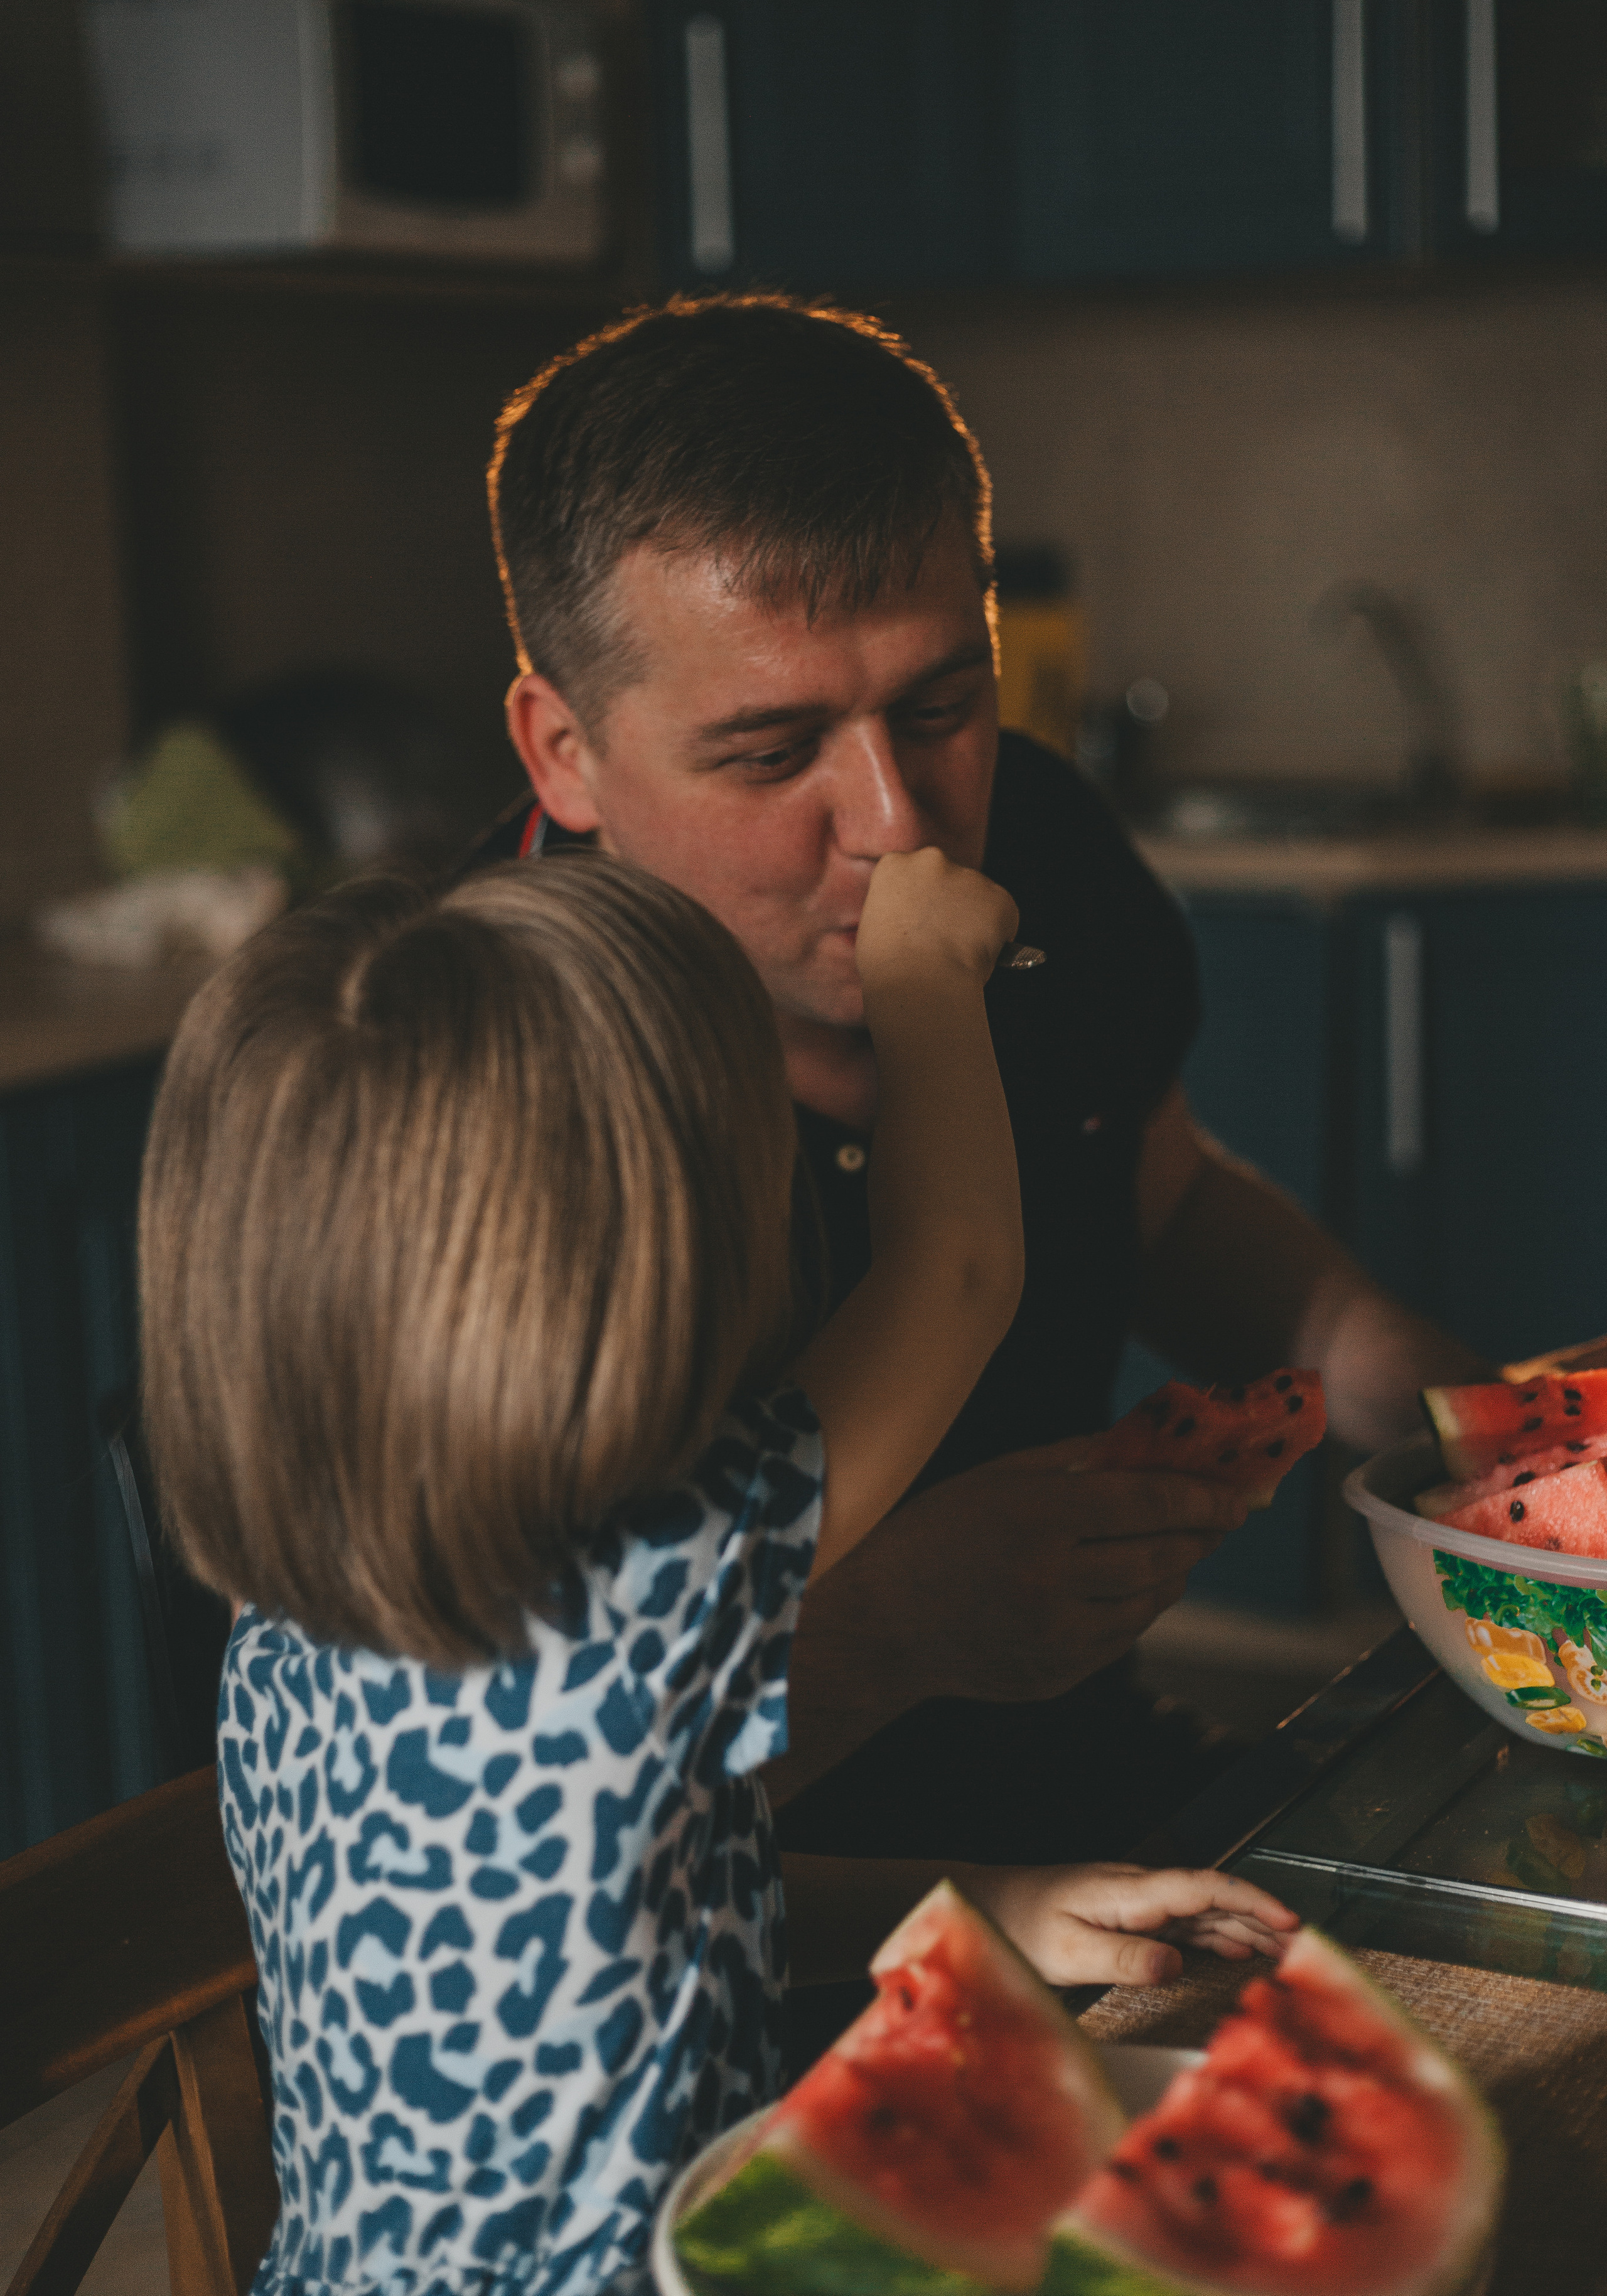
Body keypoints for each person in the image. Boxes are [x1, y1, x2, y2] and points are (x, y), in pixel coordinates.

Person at [140, 853, 1296, 2296]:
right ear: (671, 1255)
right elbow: (953, 1273)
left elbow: (643, 1913)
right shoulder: (652, 1583)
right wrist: (922, 981)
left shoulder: (291, 1634)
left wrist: (990, 1902)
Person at [478, 291, 1491, 1872]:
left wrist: (1457, 1421)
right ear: (563, 755)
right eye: (768, 752)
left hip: (1082, 1803)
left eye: (942, 707)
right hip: (726, 1931)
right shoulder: (460, 1111)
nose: (899, 823)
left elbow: (1155, 1195)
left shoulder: (1052, 854)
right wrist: (888, 1639)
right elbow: (519, 1828)